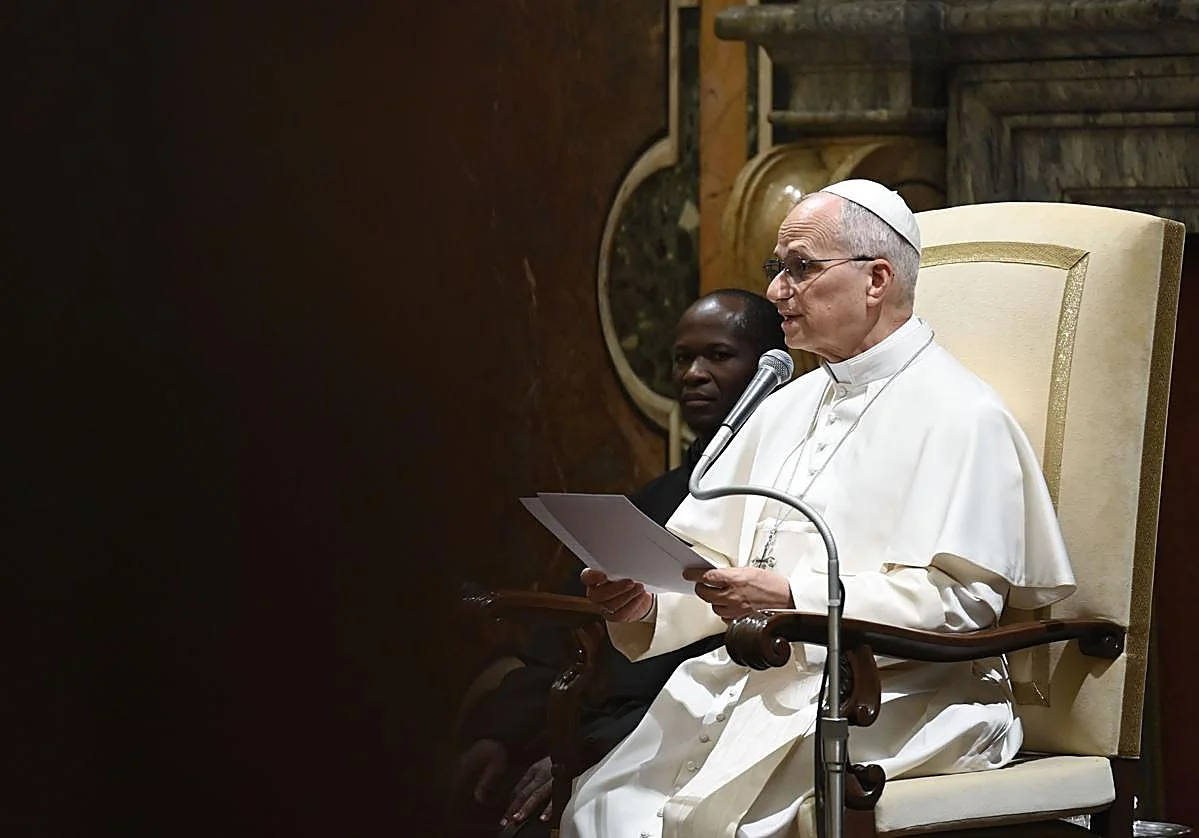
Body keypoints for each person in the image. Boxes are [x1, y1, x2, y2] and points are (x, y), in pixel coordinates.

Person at [565, 179, 1078, 838]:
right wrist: (650, 605)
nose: (777, 290)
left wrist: (791, 594)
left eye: (800, 268)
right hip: (756, 681)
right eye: (775, 270)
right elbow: (715, 565)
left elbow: (962, 604)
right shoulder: (783, 402)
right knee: (602, 813)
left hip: (894, 697)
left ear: (876, 279)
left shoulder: (962, 415)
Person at [450, 289, 788, 837]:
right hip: (590, 721)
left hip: (678, 733)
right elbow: (563, 632)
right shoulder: (656, 499)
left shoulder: (779, 503)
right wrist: (504, 734)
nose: (693, 374)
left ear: (771, 370)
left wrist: (582, 754)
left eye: (719, 356)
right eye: (683, 358)